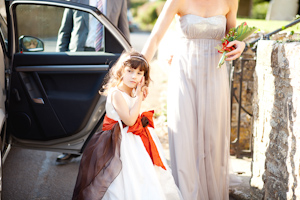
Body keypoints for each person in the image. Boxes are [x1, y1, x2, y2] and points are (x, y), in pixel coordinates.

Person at [141, 0, 245, 199]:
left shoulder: (230, 1)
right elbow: (155, 37)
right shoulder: (177, 1)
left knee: (213, 137)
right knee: (184, 134)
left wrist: (241, 44)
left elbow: (233, 36)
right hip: (184, 74)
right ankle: (186, 195)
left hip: (215, 75)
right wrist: (140, 72)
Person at [72, 50, 183, 200]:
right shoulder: (116, 93)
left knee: (144, 175)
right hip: (118, 142)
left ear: (144, 77)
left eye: (139, 73)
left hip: (134, 139)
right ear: (121, 71)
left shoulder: (132, 91)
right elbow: (130, 121)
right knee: (121, 178)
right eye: (130, 71)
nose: (134, 76)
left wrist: (137, 96)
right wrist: (138, 98)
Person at [56, 0, 130, 163]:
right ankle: (69, 147)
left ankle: (99, 150)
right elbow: (65, 31)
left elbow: (123, 30)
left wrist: (129, 62)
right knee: (75, 105)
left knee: (104, 107)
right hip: (79, 58)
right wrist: (58, 62)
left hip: (108, 59)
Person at [56, 0, 130, 52]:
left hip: (107, 54)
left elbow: (123, 30)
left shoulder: (120, 1)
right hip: (79, 52)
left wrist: (128, 53)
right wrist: (59, 58)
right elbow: (65, 31)